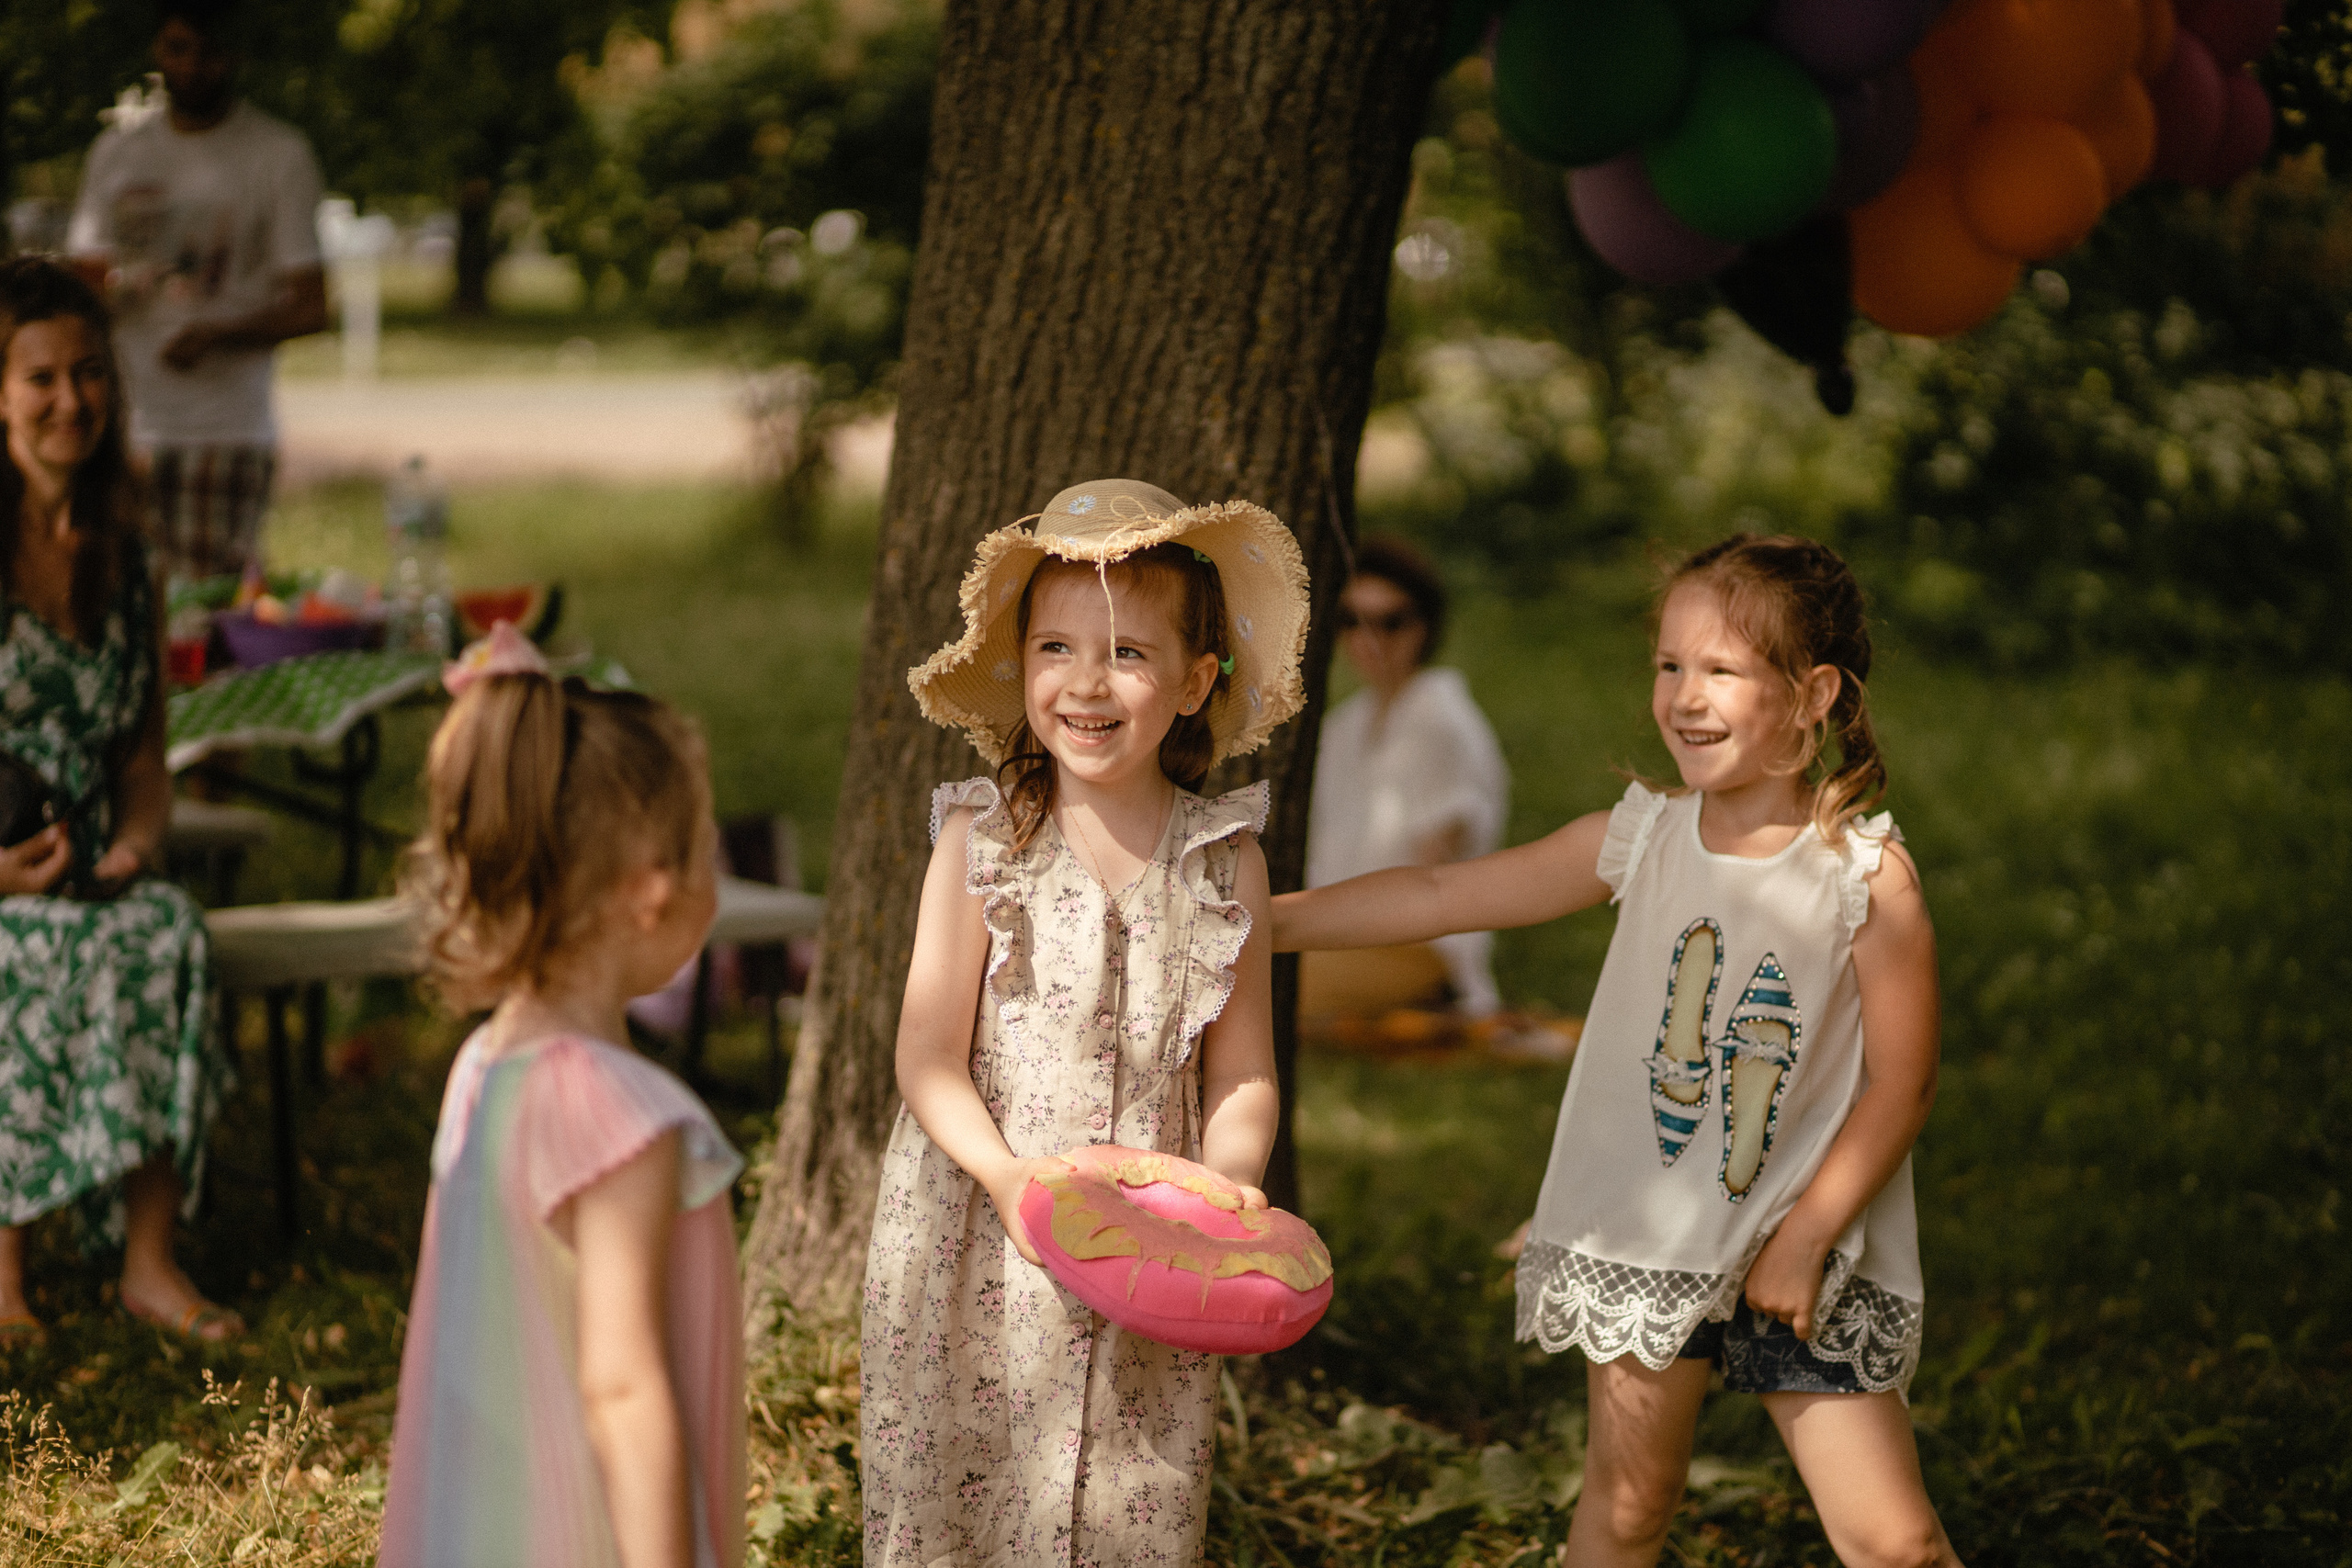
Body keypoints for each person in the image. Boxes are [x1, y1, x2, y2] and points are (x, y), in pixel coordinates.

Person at [1276, 535, 1962, 1568]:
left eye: (1721, 671)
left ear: (1813, 691)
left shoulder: (1865, 877)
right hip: (1652, 1242)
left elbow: (1903, 1084)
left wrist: (1808, 1234)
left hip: (1802, 1242)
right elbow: (1438, 894)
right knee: (1630, 1509)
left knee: (1892, 1540)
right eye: (1669, 666)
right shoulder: (1639, 839)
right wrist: (1263, 919)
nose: (1685, 697)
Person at [864, 479, 1308, 1565]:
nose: (1086, 683)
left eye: (1128, 654)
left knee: (1128, 1490)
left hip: (1148, 1240)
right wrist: (1007, 1178)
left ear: (1196, 683)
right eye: (1056, 648)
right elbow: (926, 1054)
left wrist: (1226, 1186)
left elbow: (1241, 1067)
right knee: (961, 1495)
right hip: (981, 1228)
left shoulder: (1224, 861)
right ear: (1022, 668)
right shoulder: (982, 841)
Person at [378, 626, 747, 1568]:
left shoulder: (483, 1070)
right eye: (710, 847)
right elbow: (622, 1392)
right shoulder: (621, 1118)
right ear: (651, 891)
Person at [0, 256, 234, 1346]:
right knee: (21, 948)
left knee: (164, 933)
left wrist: (139, 847)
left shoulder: (127, 556)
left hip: (96, 863)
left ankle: (149, 1261)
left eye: (88, 373)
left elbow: (145, 756)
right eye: (40, 376)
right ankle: (4, 1275)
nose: (70, 401)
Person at [67, 0, 328, 581]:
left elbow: (312, 304)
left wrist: (219, 335)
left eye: (208, 53)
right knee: (114, 597)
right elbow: (83, 286)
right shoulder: (117, 154)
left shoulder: (277, 154)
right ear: (158, 51)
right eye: (177, 49)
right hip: (123, 424)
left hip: (224, 428)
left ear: (233, 56)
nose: (191, 67)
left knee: (205, 615)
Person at [1305, 535, 1509, 1018]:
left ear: (1425, 626)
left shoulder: (1438, 719)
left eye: (1390, 622)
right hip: (1338, 938)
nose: (1368, 639)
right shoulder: (1348, 722)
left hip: (1415, 948)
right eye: (1350, 621)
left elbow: (1432, 870)